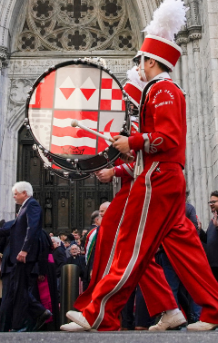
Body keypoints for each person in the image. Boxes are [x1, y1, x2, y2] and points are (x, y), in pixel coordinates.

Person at [64, 0, 218, 332]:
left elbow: (168, 138)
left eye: (142, 60)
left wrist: (134, 143)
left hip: (158, 178)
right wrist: (132, 150)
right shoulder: (162, 91)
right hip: (164, 176)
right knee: (186, 252)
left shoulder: (163, 91)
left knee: (130, 248)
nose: (139, 66)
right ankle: (214, 311)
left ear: (152, 61)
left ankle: (99, 312)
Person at [70, 68, 182, 333]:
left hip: (143, 188)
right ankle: (169, 308)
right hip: (138, 188)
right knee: (133, 250)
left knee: (124, 245)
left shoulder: (145, 119)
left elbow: (144, 159)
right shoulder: (137, 122)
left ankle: (97, 310)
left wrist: (116, 170)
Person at [0, 183, 51, 332]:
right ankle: (28, 319)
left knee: (19, 290)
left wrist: (24, 250)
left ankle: (37, 313)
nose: (14, 197)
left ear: (24, 193)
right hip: (19, 257)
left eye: (16, 194)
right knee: (19, 290)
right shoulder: (24, 207)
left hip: (24, 256)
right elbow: (14, 228)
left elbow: (32, 228)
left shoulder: (32, 205)